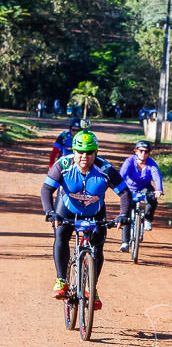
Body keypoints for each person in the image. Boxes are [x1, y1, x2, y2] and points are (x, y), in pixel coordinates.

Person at [42, 130, 130, 310]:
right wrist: (50, 212)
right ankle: (62, 280)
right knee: (61, 235)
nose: (84, 156)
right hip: (66, 209)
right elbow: (46, 190)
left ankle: (92, 287)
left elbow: (124, 192)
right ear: (73, 151)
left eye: (89, 152)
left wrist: (123, 214)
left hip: (95, 213)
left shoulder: (105, 169)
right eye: (80, 152)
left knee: (97, 246)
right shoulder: (63, 165)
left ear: (95, 153)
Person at [117, 140, 165, 250]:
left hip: (144, 187)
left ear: (149, 153)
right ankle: (125, 242)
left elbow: (157, 177)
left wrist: (159, 190)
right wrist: (119, 188)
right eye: (141, 151)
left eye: (146, 151)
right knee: (127, 214)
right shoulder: (129, 161)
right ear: (136, 151)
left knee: (152, 198)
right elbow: (121, 175)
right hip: (129, 188)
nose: (143, 154)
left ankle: (147, 219)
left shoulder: (151, 164)